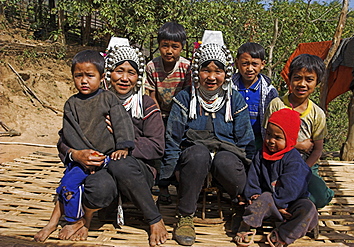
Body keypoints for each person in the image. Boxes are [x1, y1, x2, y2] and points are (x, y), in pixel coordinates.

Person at [35, 41, 168, 247]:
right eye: (119, 71)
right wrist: (77, 155)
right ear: (108, 74)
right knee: (98, 187)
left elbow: (157, 147)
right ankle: (83, 219)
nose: (124, 78)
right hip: (100, 164)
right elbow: (65, 139)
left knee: (120, 163)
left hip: (136, 171)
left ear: (138, 76)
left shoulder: (146, 104)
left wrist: (122, 140)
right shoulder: (87, 100)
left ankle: (154, 218)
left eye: (131, 72)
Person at [163, 30, 255, 246]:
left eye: (218, 71)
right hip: (193, 162)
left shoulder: (235, 99)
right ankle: (185, 215)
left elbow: (245, 141)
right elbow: (173, 139)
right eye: (206, 70)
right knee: (197, 154)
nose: (212, 77)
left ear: (226, 73)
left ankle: (239, 206)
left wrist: (251, 176)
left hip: (226, 158)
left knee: (226, 160)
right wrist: (170, 173)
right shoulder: (185, 98)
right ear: (197, 72)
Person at [34, 49, 135, 241]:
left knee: (94, 188)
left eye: (90, 75)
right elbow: (70, 133)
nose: (84, 81)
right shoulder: (71, 104)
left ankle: (81, 222)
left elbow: (122, 123)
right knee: (67, 185)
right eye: (78, 76)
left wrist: (123, 146)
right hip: (83, 158)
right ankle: (56, 222)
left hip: (105, 158)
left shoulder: (109, 99)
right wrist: (82, 155)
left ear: (102, 77)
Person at [234, 108, 318, 247]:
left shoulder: (294, 161)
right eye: (268, 135)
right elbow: (253, 177)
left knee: (309, 208)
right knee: (264, 198)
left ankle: (282, 235)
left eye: (278, 138)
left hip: (290, 204)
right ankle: (247, 225)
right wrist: (253, 194)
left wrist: (281, 204)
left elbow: (292, 189)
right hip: (268, 202)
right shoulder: (261, 155)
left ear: (290, 139)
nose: (270, 141)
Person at [264, 54, 334, 209]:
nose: (302, 84)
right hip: (276, 161)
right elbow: (267, 138)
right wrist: (297, 145)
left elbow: (317, 150)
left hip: (304, 163)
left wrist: (302, 171)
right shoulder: (277, 105)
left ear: (317, 83)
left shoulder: (317, 114)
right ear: (289, 79)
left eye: (309, 79)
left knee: (320, 197)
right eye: (297, 78)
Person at [145, 21, 192, 205]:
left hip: (180, 115)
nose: (169, 51)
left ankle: (180, 186)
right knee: (160, 149)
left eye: (175, 46)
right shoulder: (152, 67)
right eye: (165, 46)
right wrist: (157, 119)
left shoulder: (187, 67)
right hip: (159, 114)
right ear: (159, 46)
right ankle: (163, 186)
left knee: (179, 149)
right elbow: (152, 95)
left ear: (182, 47)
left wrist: (176, 118)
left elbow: (187, 96)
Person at [232, 42, 278, 150]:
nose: (249, 68)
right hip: (233, 139)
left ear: (262, 64)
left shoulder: (269, 91)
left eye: (254, 64)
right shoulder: (229, 87)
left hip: (259, 140)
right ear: (237, 63)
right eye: (245, 64)